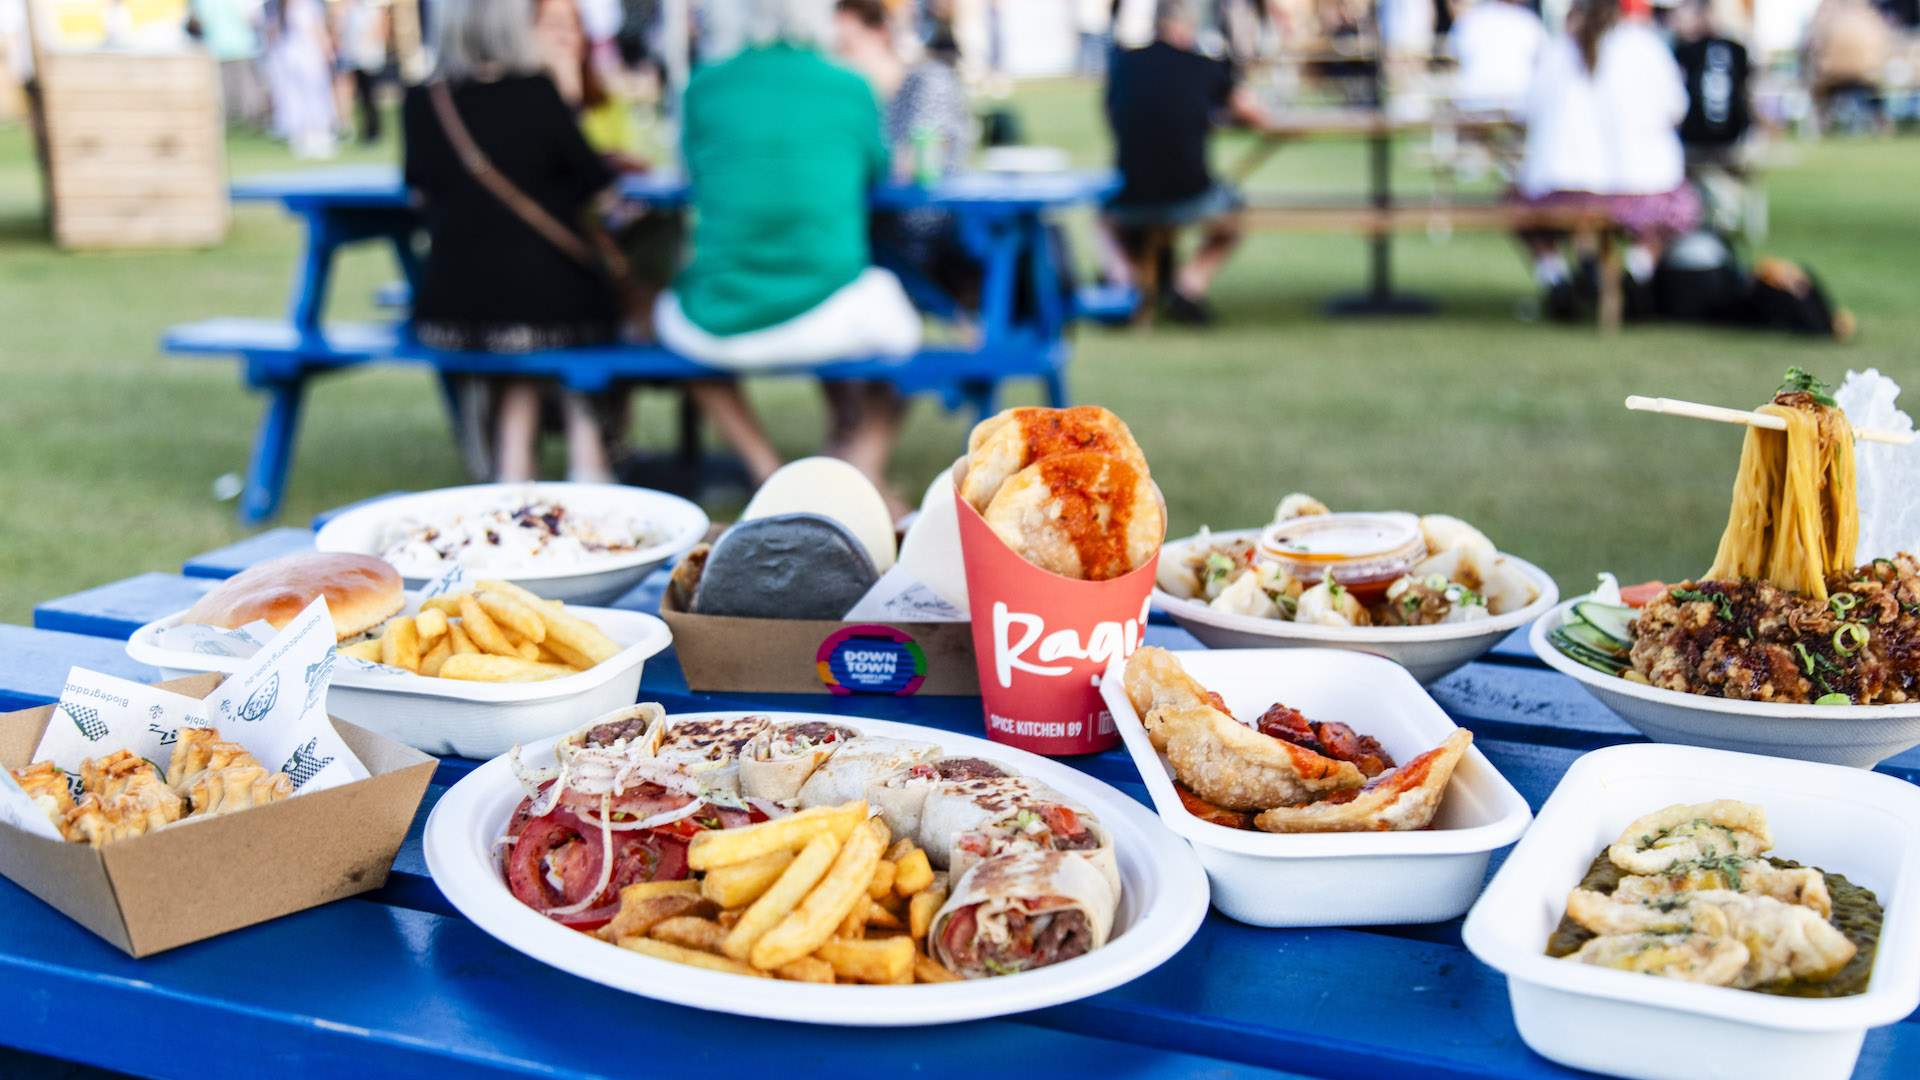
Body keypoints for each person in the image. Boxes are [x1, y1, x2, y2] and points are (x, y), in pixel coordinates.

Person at [654, 0, 922, 500]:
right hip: (831, 309)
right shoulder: (848, 86)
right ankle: (861, 469)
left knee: (665, 322)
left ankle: (768, 473)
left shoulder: (703, 87)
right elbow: (879, 173)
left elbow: (691, 172)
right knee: (905, 332)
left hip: (720, 318)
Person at [402, 0, 625, 482]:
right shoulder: (537, 93)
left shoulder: (423, 99)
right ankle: (587, 455)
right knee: (587, 302)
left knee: (526, 318)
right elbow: (597, 187)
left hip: (448, 310)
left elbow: (418, 190)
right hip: (544, 307)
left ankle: (513, 460)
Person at [1514, 0, 1698, 318]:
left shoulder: (1558, 49)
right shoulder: (1644, 46)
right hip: (1636, 190)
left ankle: (1555, 276)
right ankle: (1637, 271)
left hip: (1560, 191)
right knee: (1682, 205)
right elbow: (1676, 108)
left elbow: (1527, 111)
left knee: (1516, 205)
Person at [1100, 0, 1280, 324]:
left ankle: (1121, 280)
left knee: (1102, 219)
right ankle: (1189, 285)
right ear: (1187, 25)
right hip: (1190, 195)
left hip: (1127, 197)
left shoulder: (1122, 65)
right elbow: (1257, 116)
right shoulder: (1203, 66)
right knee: (1234, 210)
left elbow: (1111, 116)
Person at [1443, 0, 1544, 118]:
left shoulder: (1470, 19)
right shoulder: (1529, 22)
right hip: (1516, 106)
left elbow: (1453, 58)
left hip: (1473, 103)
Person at [263, 0, 338, 158]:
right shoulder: (280, 7)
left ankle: (319, 133)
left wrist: (326, 49)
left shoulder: (307, 5)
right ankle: (303, 135)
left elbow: (317, 30)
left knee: (314, 95)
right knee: (297, 96)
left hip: (307, 56)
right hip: (293, 57)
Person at [191, 0, 270, 129]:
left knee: (223, 89)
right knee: (245, 88)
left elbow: (197, 21)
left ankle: (232, 122)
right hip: (240, 46)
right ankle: (250, 122)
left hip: (217, 48)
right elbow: (252, 17)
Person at [338, 0, 390, 144]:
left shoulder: (372, 8)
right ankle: (366, 130)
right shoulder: (351, 10)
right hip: (356, 58)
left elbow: (380, 31)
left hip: (370, 58)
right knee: (362, 97)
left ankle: (374, 131)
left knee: (371, 97)